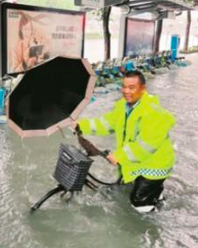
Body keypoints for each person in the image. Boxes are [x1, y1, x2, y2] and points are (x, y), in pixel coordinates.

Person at [75, 70, 176, 213]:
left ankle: (151, 220)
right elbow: (106, 124)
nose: (126, 91)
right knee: (134, 189)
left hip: (155, 164)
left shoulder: (154, 113)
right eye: (124, 86)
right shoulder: (123, 106)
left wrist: (120, 156)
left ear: (143, 89)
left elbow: (145, 145)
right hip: (136, 161)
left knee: (138, 201)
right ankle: (156, 194)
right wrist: (81, 125)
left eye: (131, 87)